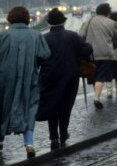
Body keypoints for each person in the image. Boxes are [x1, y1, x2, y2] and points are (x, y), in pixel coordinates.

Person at [0, 6, 51, 158]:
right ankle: (29, 143)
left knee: (3, 107)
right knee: (29, 108)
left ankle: (0, 140)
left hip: (4, 79)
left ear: (10, 18)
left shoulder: (2, 36)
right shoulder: (36, 35)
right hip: (29, 78)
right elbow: (44, 55)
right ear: (27, 18)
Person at [37, 8, 93, 149]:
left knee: (53, 105)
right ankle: (63, 133)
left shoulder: (44, 38)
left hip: (49, 76)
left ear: (49, 23)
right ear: (63, 21)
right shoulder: (72, 36)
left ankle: (53, 137)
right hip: (70, 76)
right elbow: (87, 49)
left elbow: (37, 59)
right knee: (65, 106)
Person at [79, 3, 117, 109]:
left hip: (90, 54)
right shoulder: (111, 23)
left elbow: (81, 36)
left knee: (94, 75)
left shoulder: (88, 22)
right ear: (108, 13)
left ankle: (96, 94)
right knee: (101, 76)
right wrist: (114, 46)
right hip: (105, 53)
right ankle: (97, 98)